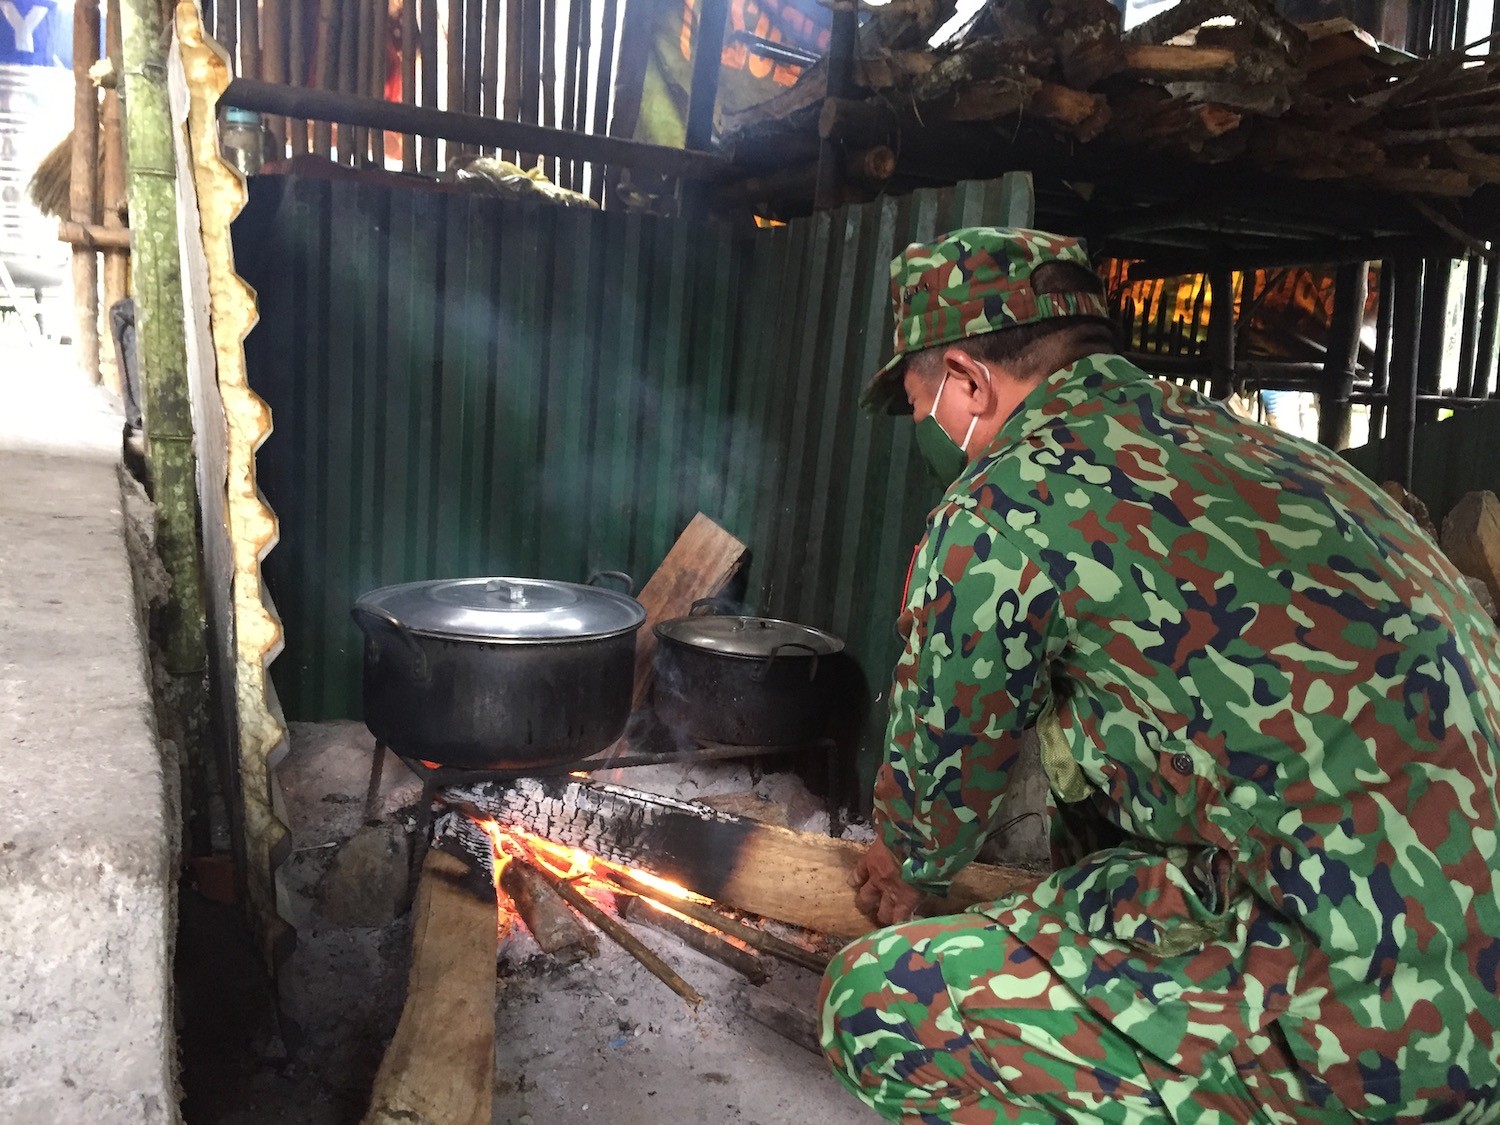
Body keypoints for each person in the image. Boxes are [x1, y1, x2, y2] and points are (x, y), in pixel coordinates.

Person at [821, 226, 1500, 1122]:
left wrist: (903, 865)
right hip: (1462, 967)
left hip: (1384, 1025)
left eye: (920, 401)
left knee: (877, 1005)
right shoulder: (1256, 449)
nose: (923, 427)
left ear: (970, 382)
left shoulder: (1004, 503)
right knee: (1094, 884)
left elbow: (931, 810)